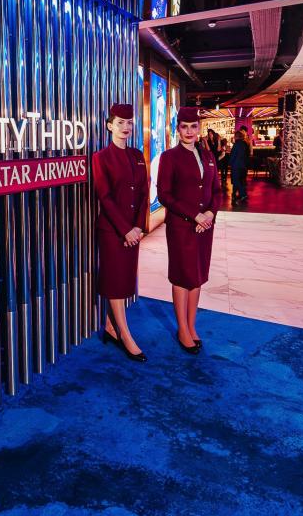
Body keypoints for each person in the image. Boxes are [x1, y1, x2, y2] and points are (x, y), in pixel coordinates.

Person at [156, 107, 221, 354]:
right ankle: (182, 328)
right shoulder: (169, 157)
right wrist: (194, 215)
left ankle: (192, 326)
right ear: (178, 129)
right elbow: (165, 195)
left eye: (194, 126)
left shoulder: (208, 155)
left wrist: (210, 214)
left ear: (199, 128)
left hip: (205, 226)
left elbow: (216, 190)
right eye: (184, 126)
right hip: (182, 226)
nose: (189, 131)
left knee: (198, 274)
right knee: (182, 276)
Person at [93, 103, 149, 362]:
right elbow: (104, 197)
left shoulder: (138, 154)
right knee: (116, 282)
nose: (126, 127)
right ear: (109, 126)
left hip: (133, 230)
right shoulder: (101, 157)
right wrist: (126, 229)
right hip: (113, 231)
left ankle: (110, 325)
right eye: (120, 123)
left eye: (129, 123)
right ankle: (125, 336)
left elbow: (143, 193)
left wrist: (138, 226)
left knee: (125, 279)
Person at [229, 130, 250, 203]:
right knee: (240, 180)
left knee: (236, 180)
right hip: (243, 165)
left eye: (234, 136)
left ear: (236, 137)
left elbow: (233, 155)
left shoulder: (236, 144)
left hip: (236, 165)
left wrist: (230, 163)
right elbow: (247, 154)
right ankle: (234, 194)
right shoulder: (245, 144)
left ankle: (243, 194)